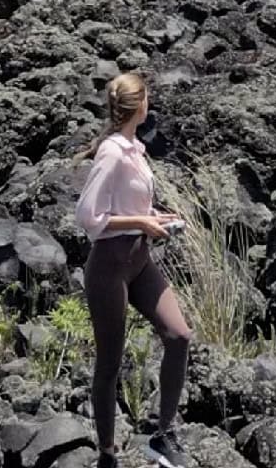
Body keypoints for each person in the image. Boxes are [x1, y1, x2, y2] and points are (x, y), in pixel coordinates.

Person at [76, 72, 192, 468]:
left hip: (138, 260)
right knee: (109, 364)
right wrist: (142, 223)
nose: (151, 102)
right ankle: (107, 454)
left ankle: (163, 435)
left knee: (178, 335)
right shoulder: (111, 151)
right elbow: (89, 217)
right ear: (138, 105)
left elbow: (126, 204)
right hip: (109, 266)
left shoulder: (133, 148)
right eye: (148, 97)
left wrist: (155, 216)